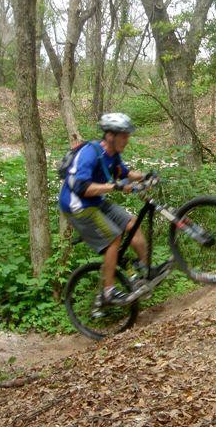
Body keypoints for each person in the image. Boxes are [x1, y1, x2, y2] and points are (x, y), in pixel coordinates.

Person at [59, 112, 164, 306]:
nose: (127, 139)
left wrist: (146, 176)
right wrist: (116, 187)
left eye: (127, 135)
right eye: (123, 135)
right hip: (77, 206)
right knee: (113, 237)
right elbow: (82, 187)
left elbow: (123, 173)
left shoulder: (113, 155)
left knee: (132, 223)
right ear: (110, 136)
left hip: (96, 201)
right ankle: (108, 292)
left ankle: (146, 270)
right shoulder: (90, 153)